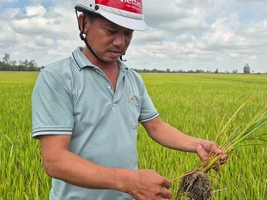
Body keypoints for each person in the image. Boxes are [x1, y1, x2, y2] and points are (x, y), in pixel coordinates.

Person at [31, 0, 227, 199]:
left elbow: (156, 127)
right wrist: (127, 181)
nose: (120, 42)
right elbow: (55, 160)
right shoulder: (57, 77)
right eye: (111, 30)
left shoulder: (132, 78)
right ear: (83, 23)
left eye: (128, 33)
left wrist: (199, 144)